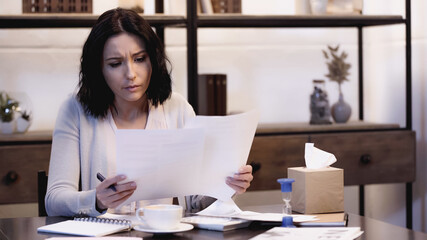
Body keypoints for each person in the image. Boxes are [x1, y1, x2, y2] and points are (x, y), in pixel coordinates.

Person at [45, 8, 254, 217]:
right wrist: (96, 200)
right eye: (115, 64)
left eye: (139, 59)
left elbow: (196, 202)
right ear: (98, 69)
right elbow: (54, 200)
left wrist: (228, 187)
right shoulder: (75, 110)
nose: (131, 74)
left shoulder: (177, 108)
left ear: (153, 59)